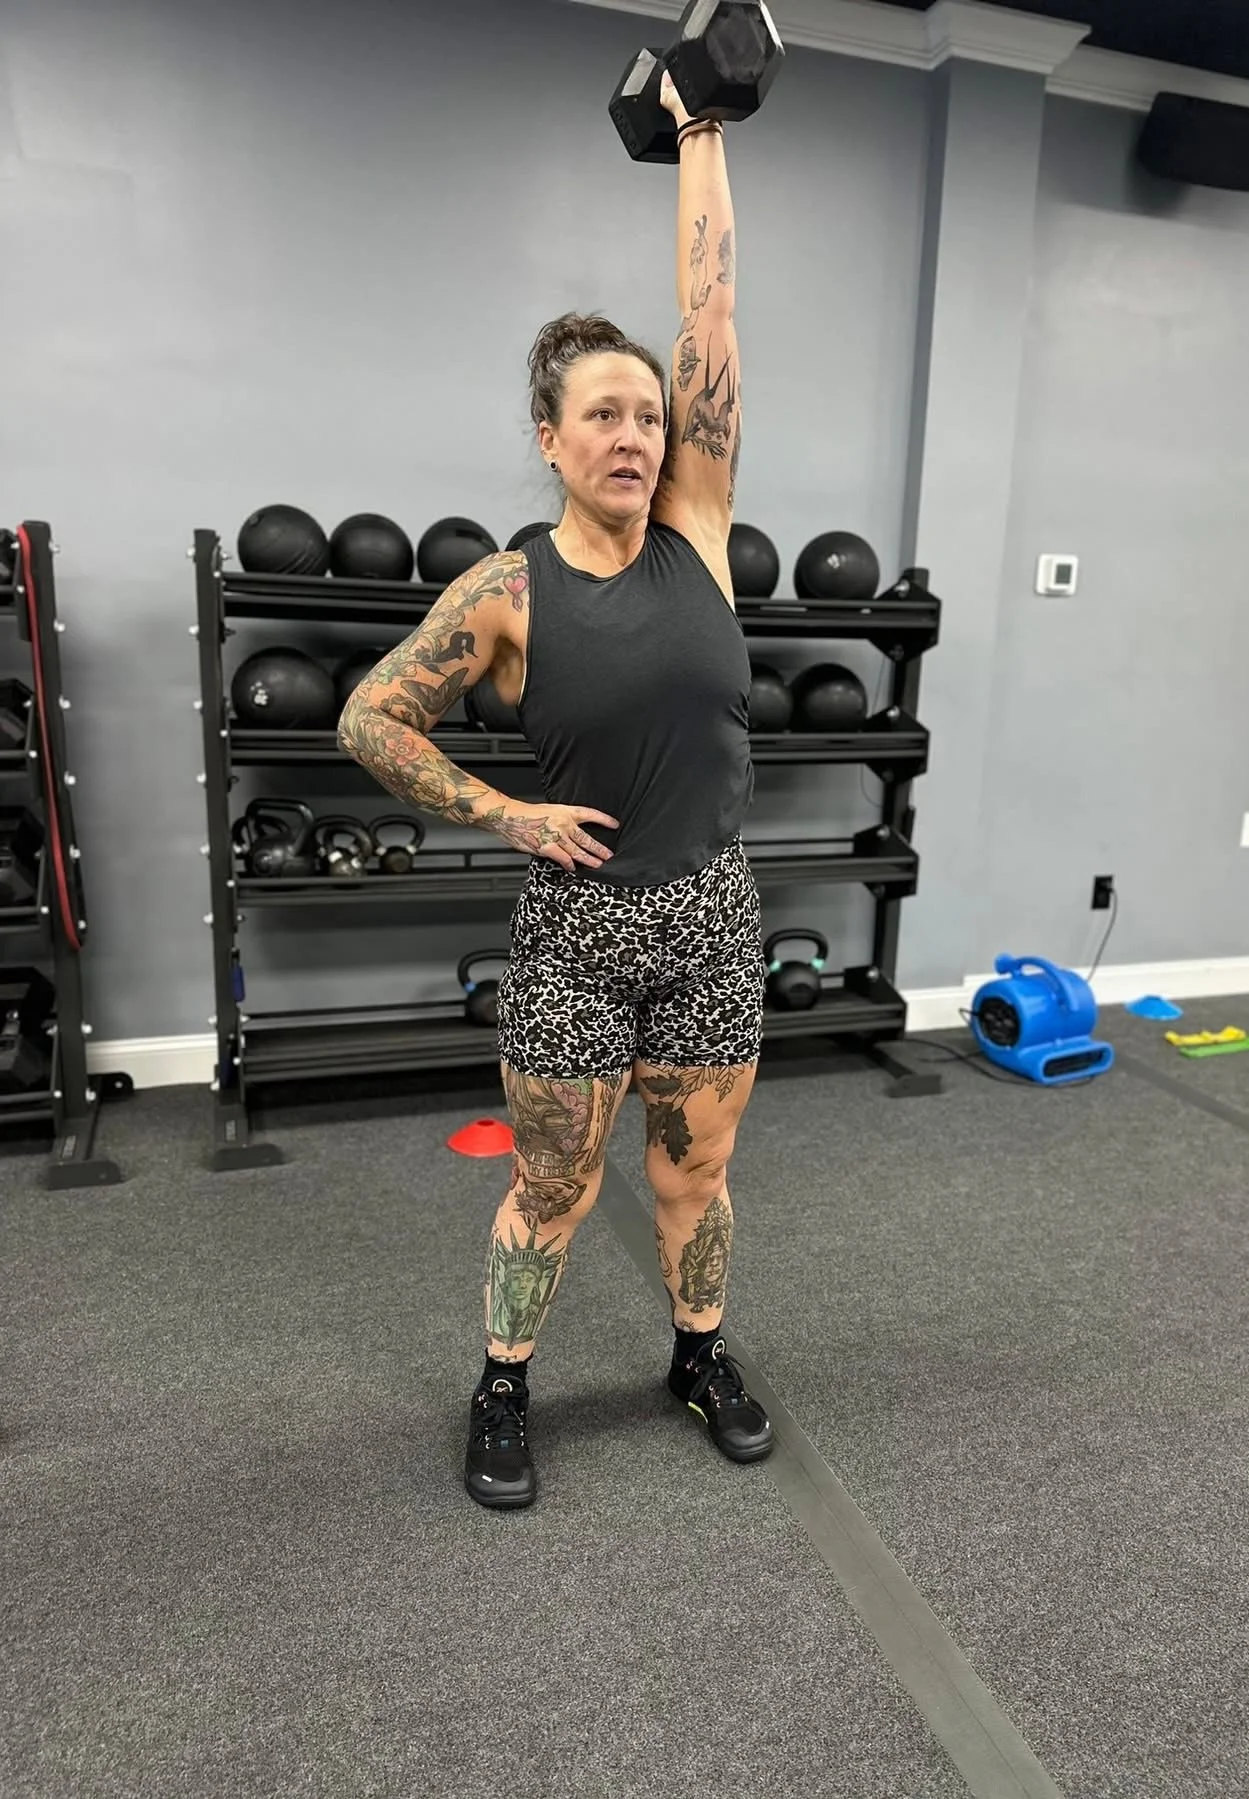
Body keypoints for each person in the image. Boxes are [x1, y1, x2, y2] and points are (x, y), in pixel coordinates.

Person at [338, 72, 773, 1510]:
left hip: (712, 908)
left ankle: (697, 1355)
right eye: (603, 414)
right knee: (555, 1186)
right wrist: (508, 815)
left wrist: (699, 132)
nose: (637, 433)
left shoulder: (699, 530)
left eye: (648, 413)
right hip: (578, 930)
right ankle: (505, 1382)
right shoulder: (508, 591)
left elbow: (711, 324)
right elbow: (370, 716)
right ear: (550, 436)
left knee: (694, 1178)